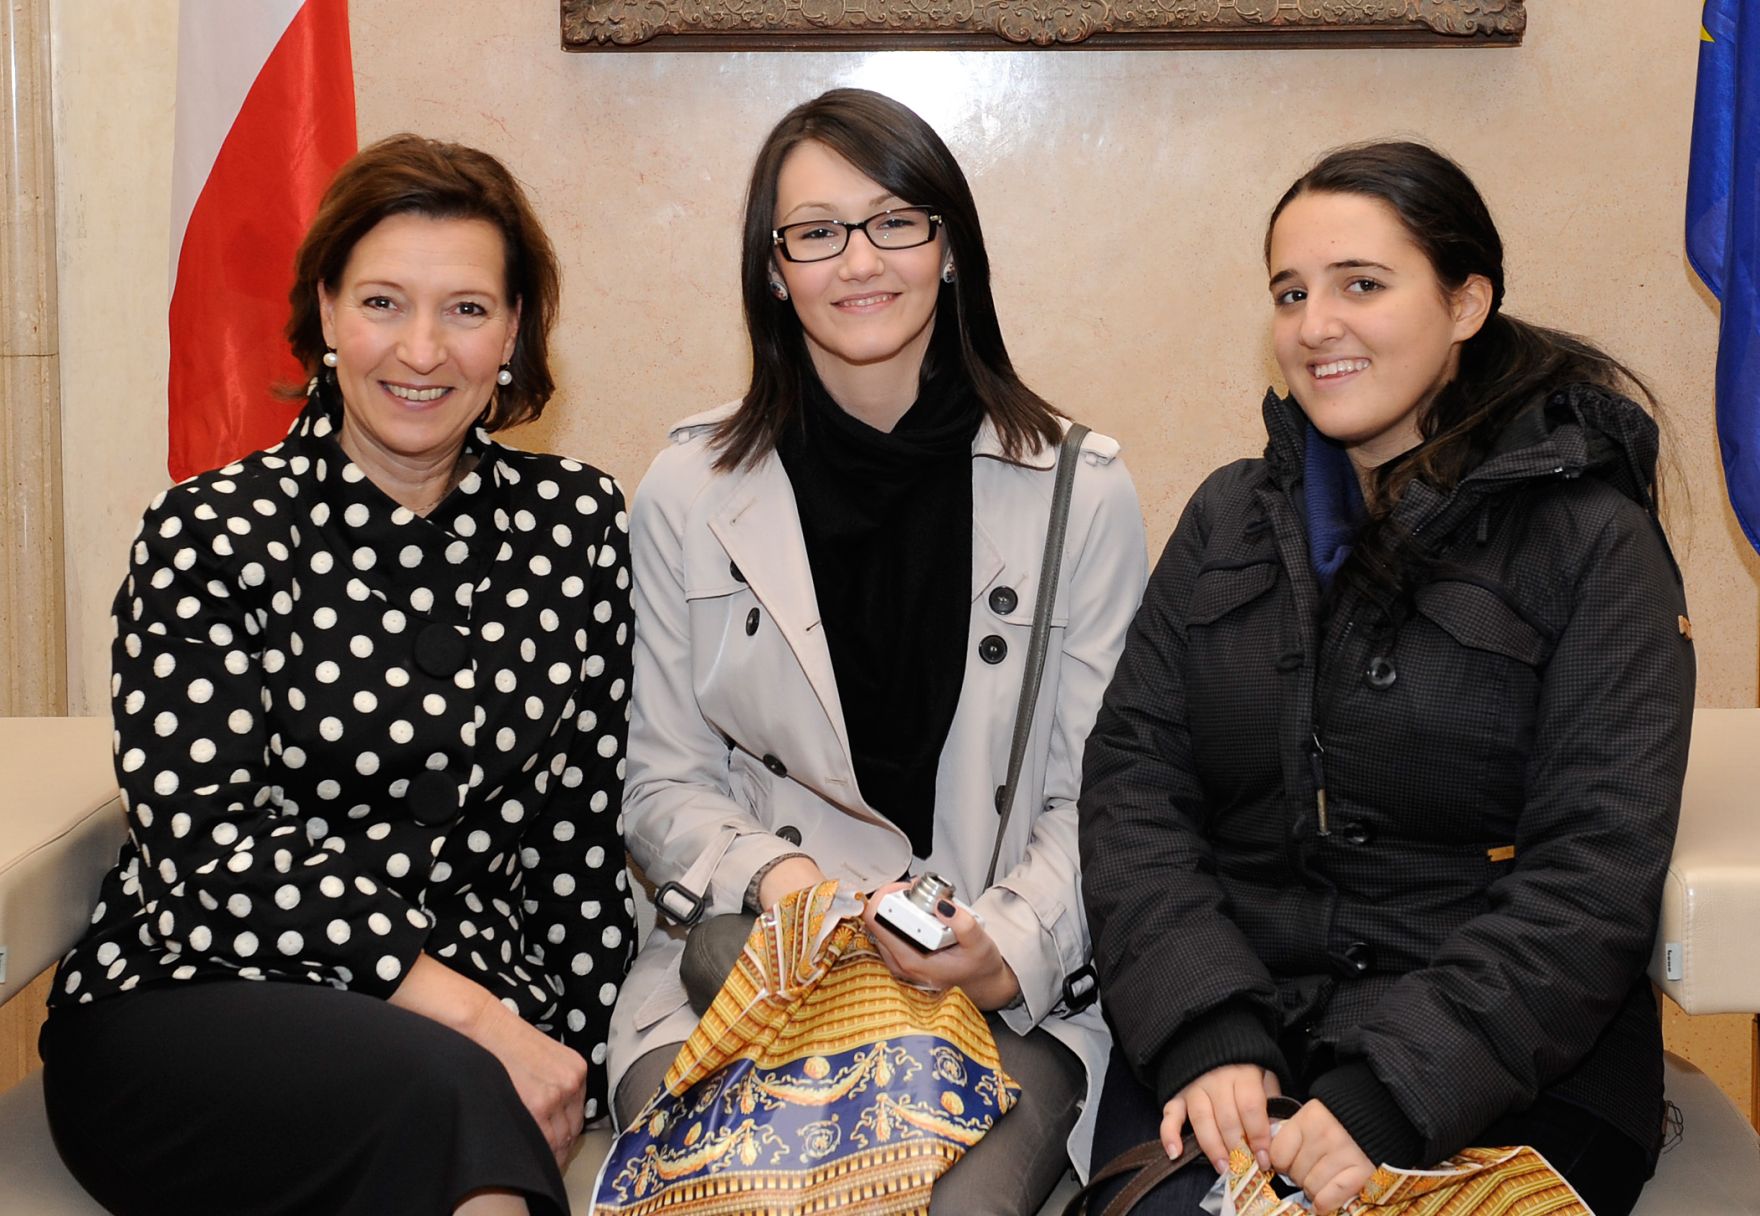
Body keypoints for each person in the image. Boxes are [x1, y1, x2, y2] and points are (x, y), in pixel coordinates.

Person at [1079, 140, 1695, 1216]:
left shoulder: (1589, 538)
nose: (1314, 324)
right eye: (1289, 292)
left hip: (1506, 1069)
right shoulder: (1227, 518)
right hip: (1242, 1049)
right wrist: (1208, 1029)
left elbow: (1593, 872)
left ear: (1465, 302)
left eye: (1359, 284)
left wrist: (1385, 1095)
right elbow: (1133, 792)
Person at [40, 134, 636, 1216]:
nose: (420, 350)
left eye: (465, 308)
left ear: (514, 330)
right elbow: (207, 844)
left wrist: (578, 1058)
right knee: (453, 1095)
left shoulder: (575, 524)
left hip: (481, 1019)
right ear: (323, 312)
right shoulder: (209, 532)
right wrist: (477, 1022)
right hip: (200, 997)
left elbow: (574, 839)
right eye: (380, 302)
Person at [607, 87, 1147, 1212]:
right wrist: (785, 882)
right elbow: (661, 780)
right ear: (773, 268)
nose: (859, 260)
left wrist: (999, 944)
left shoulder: (1078, 491)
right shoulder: (687, 489)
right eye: (816, 232)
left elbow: (1102, 794)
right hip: (748, 976)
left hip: (996, 993)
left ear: (948, 248)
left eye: (896, 220)